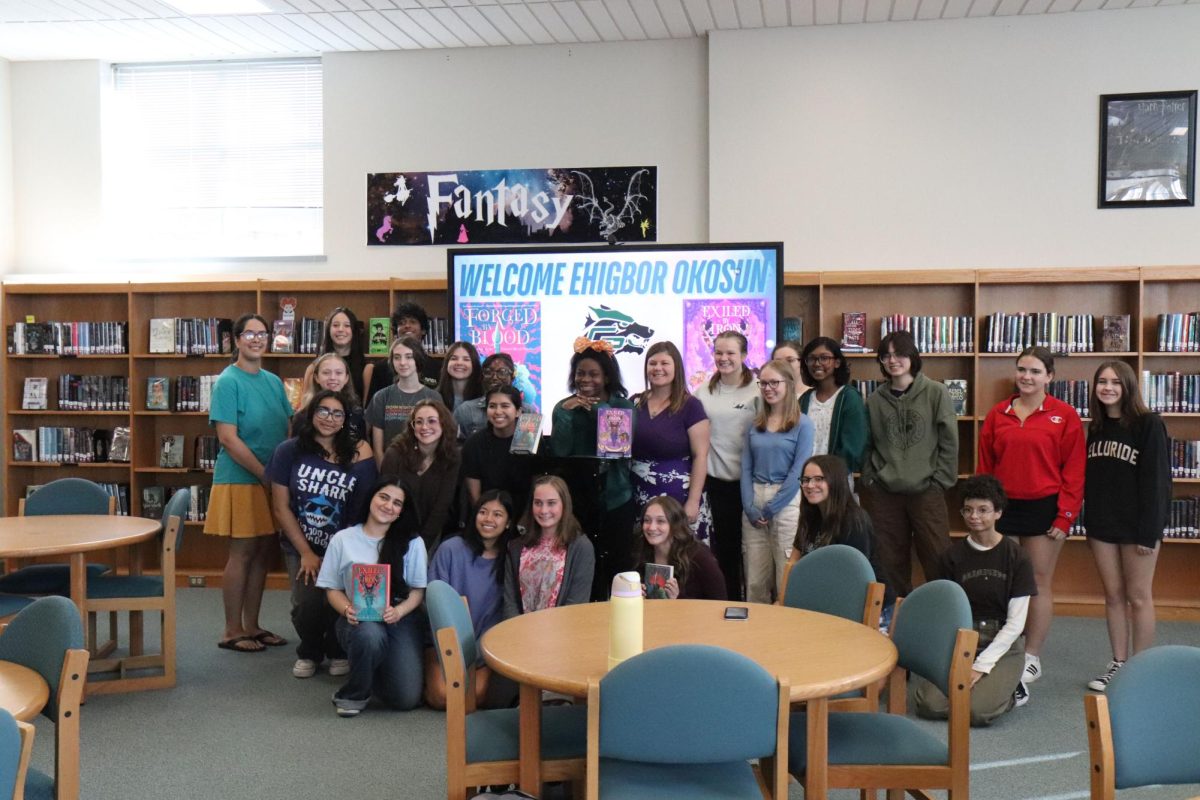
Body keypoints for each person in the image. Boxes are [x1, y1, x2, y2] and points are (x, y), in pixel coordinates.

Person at [978, 346, 1084, 687]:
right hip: (1003, 506)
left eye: (1035, 371)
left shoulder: (1064, 415)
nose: (1027, 376)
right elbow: (985, 467)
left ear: (1049, 377)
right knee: (999, 580)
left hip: (1044, 508)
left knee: (1037, 583)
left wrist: (1065, 517)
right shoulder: (998, 414)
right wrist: (984, 512)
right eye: (1022, 369)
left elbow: (1074, 471)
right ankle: (1000, 648)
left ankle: (1032, 656)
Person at [266, 390, 377, 678]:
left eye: (337, 413)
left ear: (345, 420)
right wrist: (306, 552)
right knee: (306, 604)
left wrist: (345, 551)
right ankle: (310, 650)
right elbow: (280, 507)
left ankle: (337, 650)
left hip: (344, 545)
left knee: (338, 602)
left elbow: (363, 505)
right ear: (311, 414)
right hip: (301, 545)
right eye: (323, 411)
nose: (329, 418)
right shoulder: (288, 450)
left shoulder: (359, 452)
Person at [915, 474, 1037, 725]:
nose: (974, 516)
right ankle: (984, 686)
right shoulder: (951, 556)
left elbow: (1015, 624)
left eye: (983, 510)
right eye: (968, 510)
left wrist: (982, 666)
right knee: (930, 706)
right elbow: (944, 612)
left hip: (1002, 643)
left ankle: (1015, 690)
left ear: (998, 513)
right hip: (962, 639)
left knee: (975, 712)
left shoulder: (1017, 557)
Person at [206, 313, 294, 653]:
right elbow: (228, 438)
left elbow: (285, 427)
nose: (257, 339)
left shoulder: (273, 381)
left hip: (270, 478)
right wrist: (264, 473)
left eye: (263, 334)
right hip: (242, 477)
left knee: (261, 554)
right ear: (237, 340)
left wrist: (279, 473)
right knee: (242, 553)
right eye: (250, 334)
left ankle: (253, 625)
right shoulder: (228, 381)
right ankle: (231, 629)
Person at [1084, 360, 1170, 692]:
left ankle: (1141, 669)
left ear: (1129, 387)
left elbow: (1158, 482)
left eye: (1115, 382)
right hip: (1102, 525)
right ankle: (1119, 664)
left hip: (1138, 528)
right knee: (1113, 596)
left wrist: (1151, 530)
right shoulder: (1096, 428)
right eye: (1102, 381)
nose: (1107, 387)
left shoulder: (1148, 424)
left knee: (1138, 596)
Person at [316, 477, 428, 717]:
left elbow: (418, 592)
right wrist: (347, 610)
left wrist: (399, 611)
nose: (389, 506)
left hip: (399, 615)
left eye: (397, 503)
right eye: (384, 497)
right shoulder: (343, 539)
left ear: (401, 512)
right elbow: (332, 588)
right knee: (369, 636)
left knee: (405, 699)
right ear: (371, 498)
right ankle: (353, 694)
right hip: (358, 617)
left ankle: (369, 667)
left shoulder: (413, 542)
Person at [860, 330, 958, 602]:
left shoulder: (936, 392)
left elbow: (949, 441)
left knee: (938, 555)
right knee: (889, 560)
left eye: (899, 353)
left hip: (927, 490)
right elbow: (867, 444)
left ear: (913, 356)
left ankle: (944, 612)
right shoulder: (875, 400)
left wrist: (940, 482)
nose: (893, 360)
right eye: (886, 355)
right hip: (885, 493)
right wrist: (871, 478)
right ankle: (896, 617)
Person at [549, 339, 637, 596]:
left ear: (607, 377)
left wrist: (598, 409)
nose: (585, 379)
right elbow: (560, 452)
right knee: (582, 567)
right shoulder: (564, 408)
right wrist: (566, 415)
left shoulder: (623, 407)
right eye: (580, 373)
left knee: (616, 567)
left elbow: (615, 450)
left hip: (615, 499)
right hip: (578, 500)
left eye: (593, 374)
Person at [423, 489, 516, 709]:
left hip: (483, 648)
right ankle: (424, 675)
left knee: (474, 697)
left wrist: (481, 652)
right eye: (483, 512)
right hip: (444, 642)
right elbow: (433, 603)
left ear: (509, 523)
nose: (488, 519)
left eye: (497, 514)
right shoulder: (450, 549)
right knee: (443, 697)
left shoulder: (511, 559)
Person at [740, 358, 813, 603]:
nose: (768, 388)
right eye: (763, 383)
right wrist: (749, 506)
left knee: (786, 576)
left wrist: (773, 507)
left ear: (789, 385)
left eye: (774, 383)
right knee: (755, 579)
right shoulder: (755, 424)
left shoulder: (803, 424)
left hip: (786, 501)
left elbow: (798, 471)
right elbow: (746, 468)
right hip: (754, 500)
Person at [696, 330, 759, 601]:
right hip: (716, 484)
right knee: (724, 554)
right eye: (719, 353)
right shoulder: (703, 391)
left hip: (750, 485)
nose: (724, 358)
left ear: (744, 356)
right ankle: (727, 605)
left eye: (731, 353)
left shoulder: (758, 389)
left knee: (753, 558)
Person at [632, 341, 712, 542]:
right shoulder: (634, 403)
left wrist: (693, 501)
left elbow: (700, 455)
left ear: (676, 367)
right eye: (652, 363)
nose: (658, 368)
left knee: (682, 556)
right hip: (639, 495)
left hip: (680, 497)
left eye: (664, 363)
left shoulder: (691, 406)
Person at [502, 475, 595, 617]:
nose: (543, 510)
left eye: (551, 503)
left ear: (564, 505)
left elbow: (576, 605)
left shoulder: (581, 547)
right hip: (518, 633)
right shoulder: (515, 547)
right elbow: (510, 603)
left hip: (562, 634)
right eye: (538, 503)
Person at [379, 398, 461, 551]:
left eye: (432, 421)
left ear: (444, 424)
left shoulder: (452, 458)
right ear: (412, 426)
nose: (424, 427)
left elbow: (442, 506)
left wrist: (421, 545)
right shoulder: (395, 453)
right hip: (391, 531)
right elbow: (383, 498)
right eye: (418, 422)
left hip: (429, 535)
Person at [798, 336, 868, 474]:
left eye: (824, 358)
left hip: (836, 479)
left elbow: (854, 446)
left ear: (837, 362)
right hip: (805, 479)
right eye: (811, 359)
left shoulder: (849, 397)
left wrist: (828, 476)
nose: (817, 363)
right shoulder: (805, 399)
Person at [636, 494, 726, 600]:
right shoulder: (641, 550)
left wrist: (678, 598)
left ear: (675, 525)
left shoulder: (699, 556)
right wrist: (636, 594)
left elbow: (720, 601)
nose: (652, 527)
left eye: (660, 521)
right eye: (647, 520)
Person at [366, 336, 440, 466]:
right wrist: (387, 478)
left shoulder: (434, 397)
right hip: (390, 470)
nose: (402, 362)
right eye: (397, 357)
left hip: (425, 471)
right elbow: (378, 449)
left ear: (418, 359)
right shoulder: (381, 397)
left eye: (409, 356)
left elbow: (438, 443)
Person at [462, 384, 534, 516]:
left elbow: (537, 484)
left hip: (526, 514)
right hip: (487, 515)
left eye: (505, 406)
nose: (498, 411)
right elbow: (474, 496)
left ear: (518, 411)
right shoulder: (474, 443)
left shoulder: (529, 438)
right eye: (492, 406)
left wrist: (527, 519)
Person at [788, 454, 874, 560]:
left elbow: (854, 572)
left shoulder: (854, 521)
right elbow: (792, 563)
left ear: (835, 481)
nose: (809, 485)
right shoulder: (810, 514)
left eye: (818, 479)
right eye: (805, 479)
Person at [366, 301, 439, 402]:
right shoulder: (381, 368)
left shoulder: (437, 367)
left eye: (413, 322)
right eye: (402, 323)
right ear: (396, 331)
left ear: (423, 330)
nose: (407, 326)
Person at [453, 352, 536, 440]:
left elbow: (535, 449)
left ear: (512, 377)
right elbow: (453, 445)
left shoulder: (527, 412)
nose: (495, 377)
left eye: (502, 372)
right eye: (488, 372)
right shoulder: (466, 410)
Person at [301, 306, 371, 401]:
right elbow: (305, 406)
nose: (341, 329)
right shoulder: (313, 369)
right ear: (328, 330)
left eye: (347, 325)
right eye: (335, 325)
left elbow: (366, 408)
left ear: (354, 331)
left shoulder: (367, 369)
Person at [303, 352, 366, 443]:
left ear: (346, 378)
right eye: (326, 373)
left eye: (338, 373)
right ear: (316, 377)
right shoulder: (304, 414)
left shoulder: (357, 413)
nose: (332, 377)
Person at [435, 340, 483, 411]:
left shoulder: (483, 397)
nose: (459, 363)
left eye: (466, 359)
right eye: (454, 358)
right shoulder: (434, 396)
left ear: (474, 365)